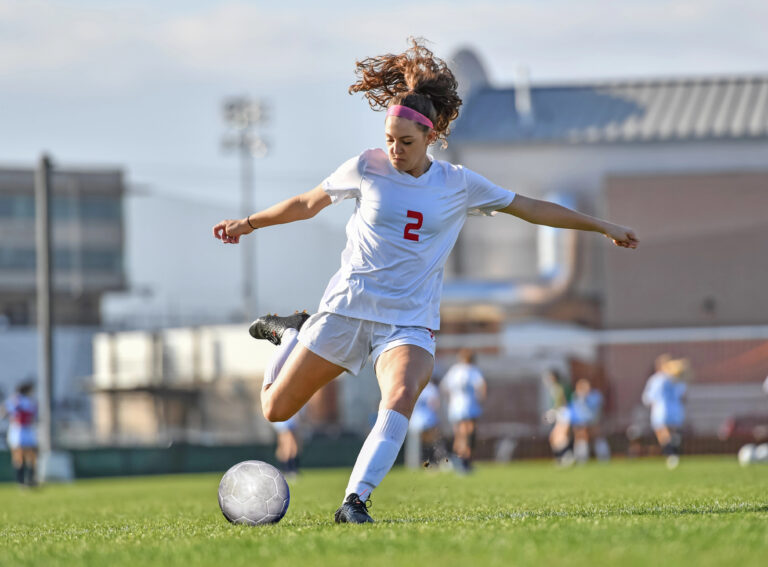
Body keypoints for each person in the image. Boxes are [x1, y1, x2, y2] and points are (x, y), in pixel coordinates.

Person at [212, 39, 638, 523]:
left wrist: (602, 225)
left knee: (399, 397)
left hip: (408, 321)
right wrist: (249, 222)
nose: (394, 149)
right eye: (389, 138)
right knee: (275, 409)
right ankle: (291, 333)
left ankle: (354, 501)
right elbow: (308, 203)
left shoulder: (458, 183)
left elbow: (531, 208)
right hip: (348, 308)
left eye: (405, 142)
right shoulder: (366, 166)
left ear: (430, 137)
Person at [441, 349, 486, 473]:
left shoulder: (454, 370)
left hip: (455, 407)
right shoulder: (472, 370)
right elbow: (481, 386)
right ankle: (465, 460)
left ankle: (457, 459)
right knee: (468, 432)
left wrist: (450, 400)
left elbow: (445, 387)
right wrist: (480, 399)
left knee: (459, 433)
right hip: (470, 406)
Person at [642, 355, 690, 469]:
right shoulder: (677, 379)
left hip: (661, 410)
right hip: (676, 410)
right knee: (673, 432)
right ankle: (675, 451)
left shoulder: (657, 379)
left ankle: (671, 454)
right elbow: (683, 396)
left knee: (662, 433)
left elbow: (649, 397)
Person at [1, 381, 38, 486]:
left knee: (31, 454)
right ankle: (21, 481)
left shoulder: (28, 400)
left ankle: (30, 479)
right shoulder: (17, 399)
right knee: (19, 455)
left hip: (27, 429)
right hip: (18, 430)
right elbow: (5, 410)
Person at [408, 376, 444, 467]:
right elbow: (435, 405)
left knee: (420, 442)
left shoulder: (414, 387)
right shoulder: (431, 388)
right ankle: (429, 461)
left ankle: (421, 461)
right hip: (428, 419)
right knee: (430, 442)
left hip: (416, 419)